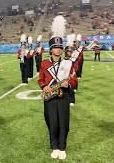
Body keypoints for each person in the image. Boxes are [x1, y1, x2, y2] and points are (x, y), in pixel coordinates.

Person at [38, 24, 77, 160]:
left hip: (63, 96)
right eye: (56, 48)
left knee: (64, 123)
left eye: (60, 47)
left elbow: (74, 80)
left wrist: (68, 84)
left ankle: (62, 147)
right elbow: (40, 79)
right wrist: (44, 87)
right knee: (52, 122)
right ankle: (54, 146)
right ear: (51, 49)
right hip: (49, 97)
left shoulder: (68, 63)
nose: (59, 50)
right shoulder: (44, 63)